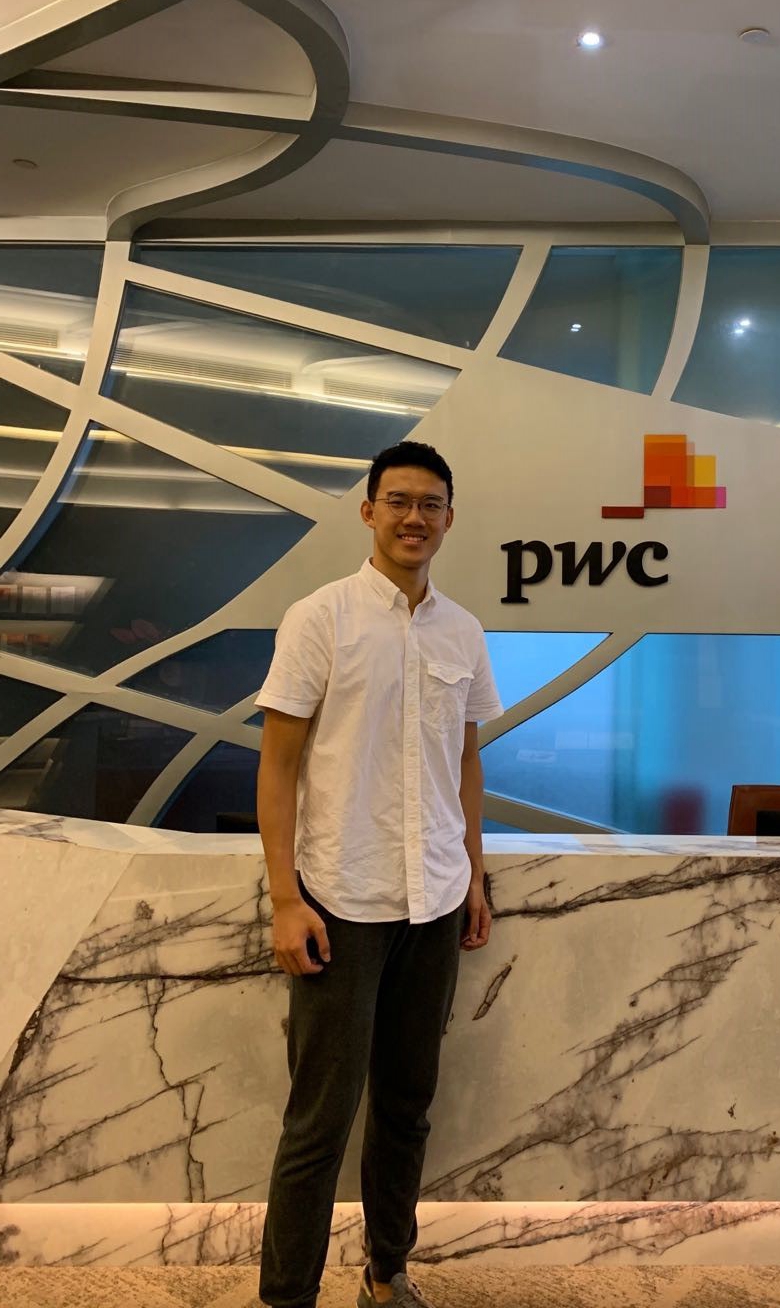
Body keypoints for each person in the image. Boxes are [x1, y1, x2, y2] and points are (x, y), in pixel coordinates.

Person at [256, 440, 502, 1308]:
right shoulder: (319, 618)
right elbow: (278, 766)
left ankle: (387, 1274)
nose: (413, 517)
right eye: (398, 501)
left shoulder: (464, 631)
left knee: (407, 1106)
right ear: (368, 511)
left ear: (449, 518)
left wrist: (473, 875)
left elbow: (463, 763)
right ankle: (287, 1295)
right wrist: (285, 899)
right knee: (319, 1120)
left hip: (433, 900)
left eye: (430, 504)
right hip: (342, 900)